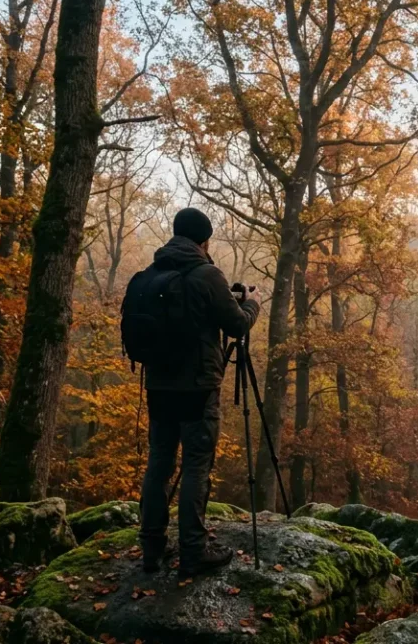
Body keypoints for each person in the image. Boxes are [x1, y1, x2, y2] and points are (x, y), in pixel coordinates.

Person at [135, 208, 259, 578]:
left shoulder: (152, 274)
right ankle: (193, 550)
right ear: (204, 241)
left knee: (159, 463)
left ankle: (152, 548)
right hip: (198, 389)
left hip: (158, 385)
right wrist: (252, 302)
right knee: (195, 465)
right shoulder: (207, 275)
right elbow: (236, 325)